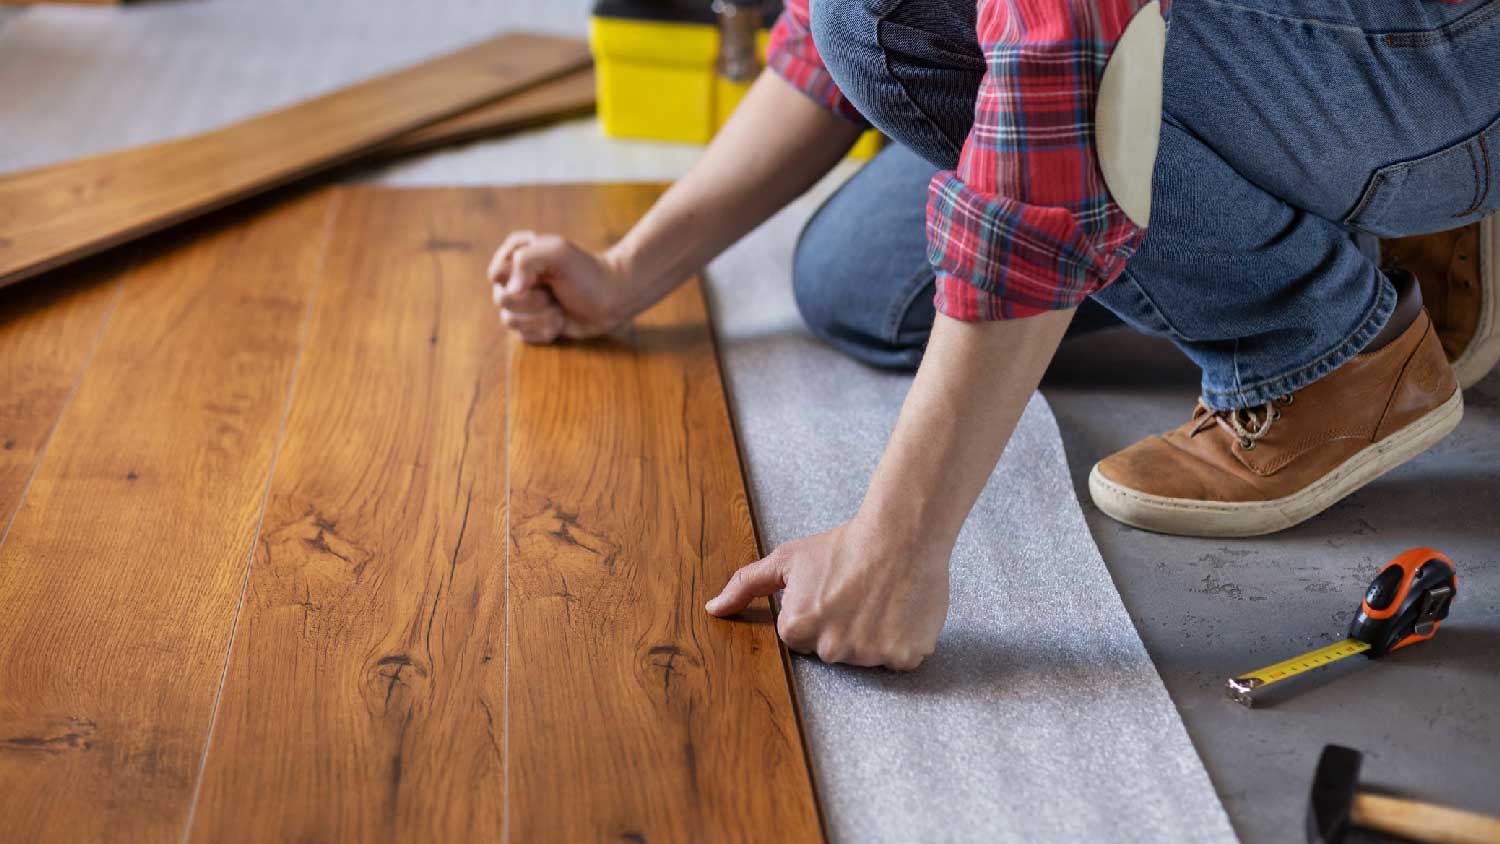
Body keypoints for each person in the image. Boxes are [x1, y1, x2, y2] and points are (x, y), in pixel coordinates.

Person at [489, 0, 1499, 670]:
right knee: (860, 279)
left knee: (897, 20)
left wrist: (896, 547)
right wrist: (632, 271)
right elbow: (824, 31)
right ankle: (1335, 211)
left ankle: (1317, 338)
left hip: (1444, 49)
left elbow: (1055, 68)